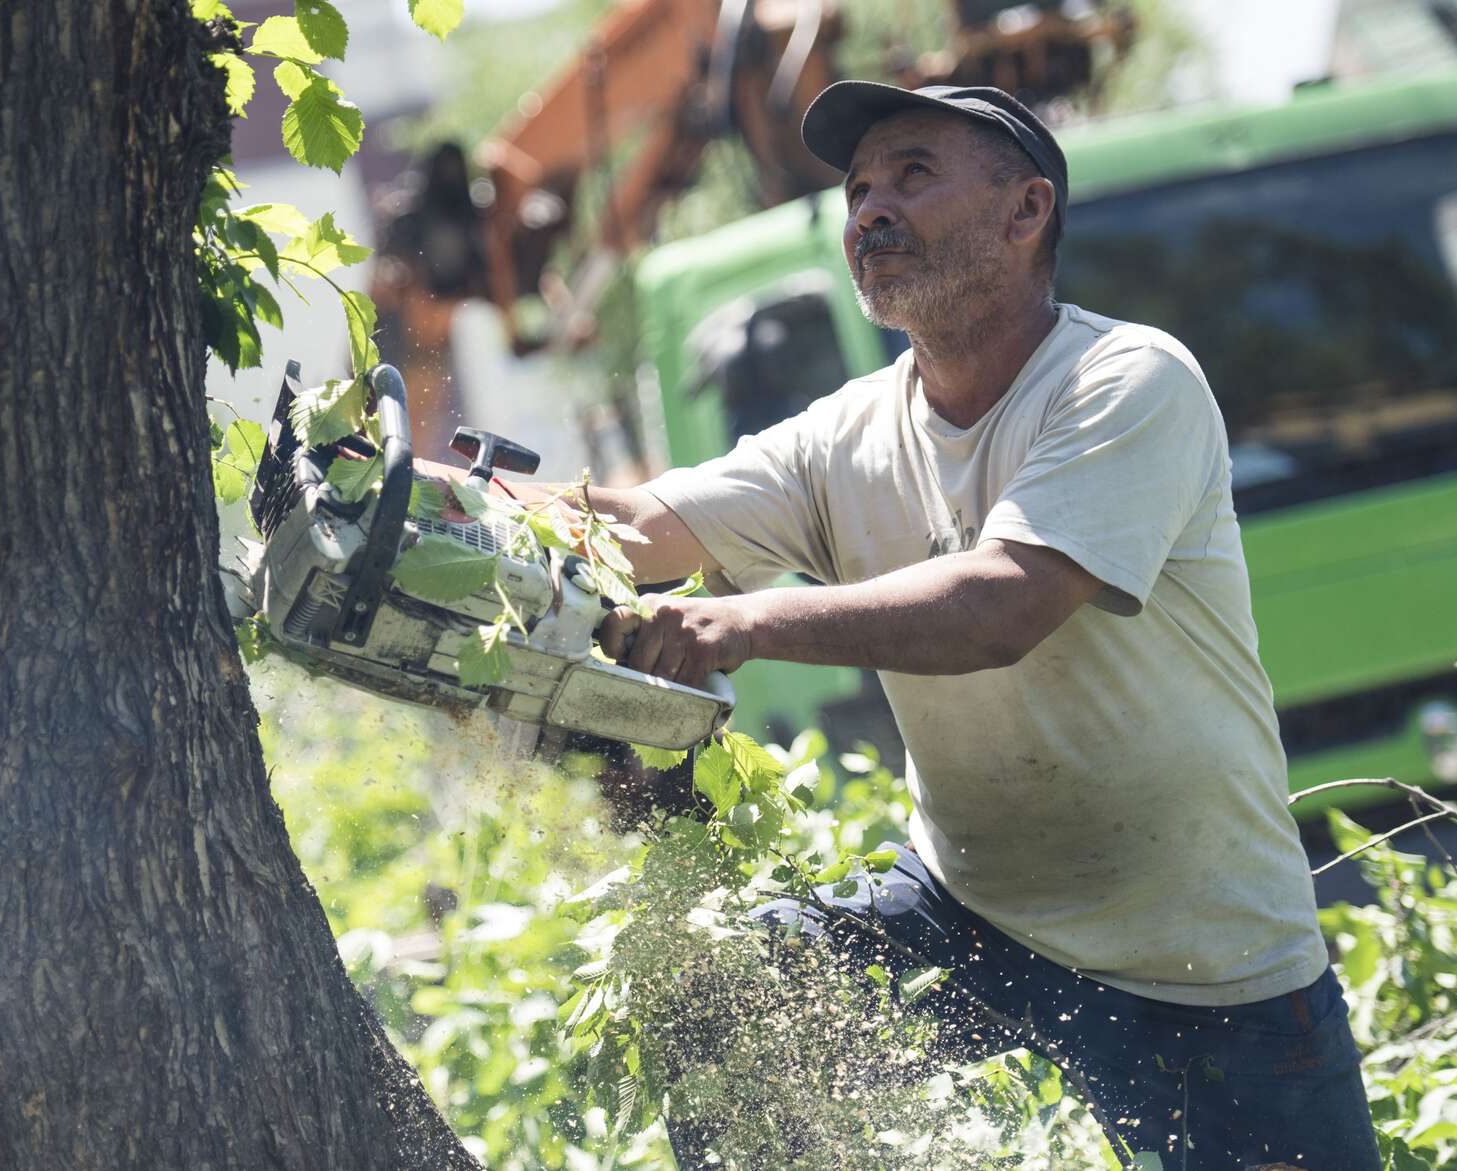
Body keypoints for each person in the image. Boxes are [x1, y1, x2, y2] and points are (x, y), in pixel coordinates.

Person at [474, 82, 1381, 1168]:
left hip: (1206, 968)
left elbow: (999, 605)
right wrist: (411, 488)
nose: (866, 210)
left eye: (911, 174)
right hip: (973, 917)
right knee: (729, 991)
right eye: (856, 189)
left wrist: (744, 621)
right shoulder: (842, 434)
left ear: (1024, 211)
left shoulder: (1125, 380)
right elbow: (630, 526)